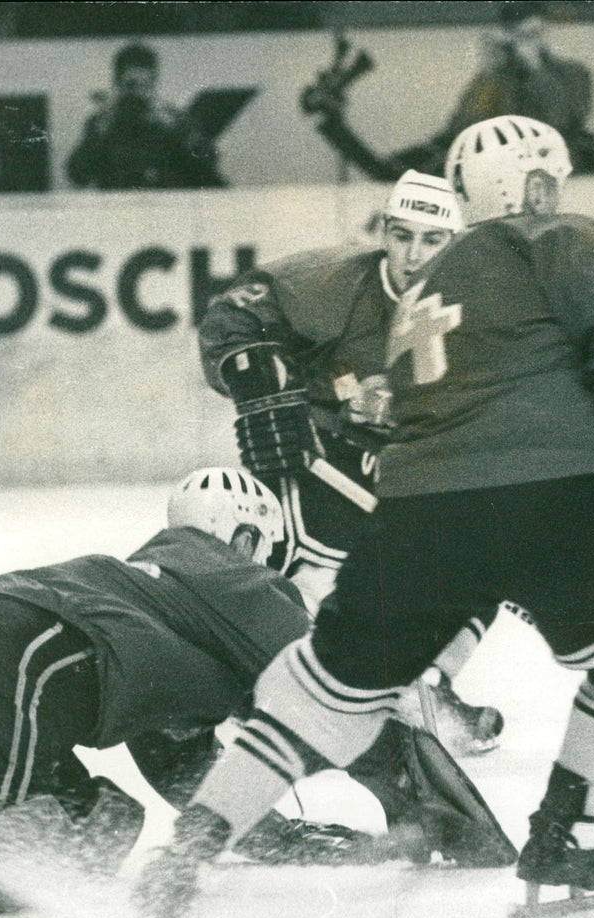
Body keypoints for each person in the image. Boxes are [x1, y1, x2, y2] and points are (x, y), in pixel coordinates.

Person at [125, 115, 594, 918]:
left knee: (327, 687)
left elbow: (419, 421)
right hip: (553, 495)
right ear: (551, 178)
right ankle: (564, 834)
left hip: (417, 512)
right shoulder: (584, 241)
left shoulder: (425, 291)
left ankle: (194, 843)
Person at [0, 467, 514, 913]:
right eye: (264, 551)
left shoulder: (154, 607)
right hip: (19, 660)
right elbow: (335, 689)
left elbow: (181, 769)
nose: (270, 570)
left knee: (102, 830)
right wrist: (421, 799)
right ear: (243, 537)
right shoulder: (233, 578)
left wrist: (281, 839)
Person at [199, 168, 504, 754]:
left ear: (457, 243)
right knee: (278, 553)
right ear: (384, 232)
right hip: (317, 458)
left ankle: (430, 684)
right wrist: (261, 387)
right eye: (402, 235)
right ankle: (255, 688)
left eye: (432, 240)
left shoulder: (485, 309)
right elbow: (229, 318)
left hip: (415, 468)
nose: (413, 255)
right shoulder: (336, 282)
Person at [301, 3, 594, 180]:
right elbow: (460, 129)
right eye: (518, 37)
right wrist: (489, 73)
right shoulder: (496, 76)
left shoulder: (571, 73)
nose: (522, 45)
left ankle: (328, 123)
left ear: (544, 33)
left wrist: (533, 65)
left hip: (551, 163)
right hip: (495, 163)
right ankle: (329, 123)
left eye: (530, 35)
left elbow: (563, 119)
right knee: (395, 173)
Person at [66, 41, 226, 190]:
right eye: (131, 85)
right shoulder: (103, 123)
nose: (138, 93)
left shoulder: (172, 120)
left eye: (146, 85)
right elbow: (77, 177)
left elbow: (209, 163)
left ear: (154, 84)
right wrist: (100, 134)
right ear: (118, 84)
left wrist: (177, 130)